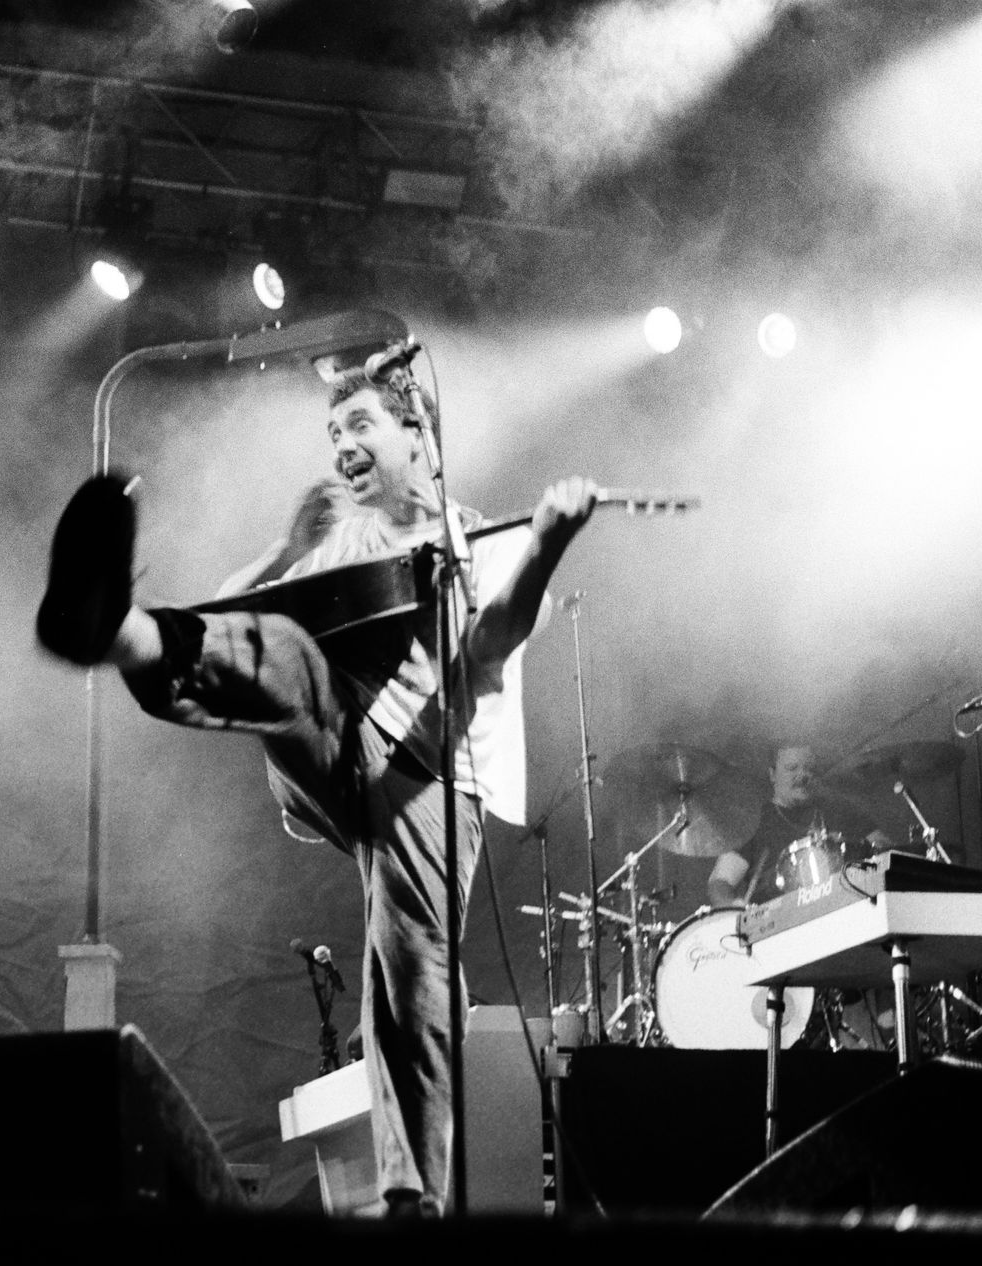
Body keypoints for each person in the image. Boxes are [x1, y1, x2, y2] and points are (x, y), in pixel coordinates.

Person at [36, 365, 598, 1218]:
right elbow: (230, 618)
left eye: (361, 424)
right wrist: (288, 548)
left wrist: (550, 540)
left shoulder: (471, 534)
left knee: (406, 959)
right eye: (333, 435)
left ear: (420, 438)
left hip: (431, 775)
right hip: (337, 755)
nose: (342, 447)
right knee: (289, 660)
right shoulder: (342, 536)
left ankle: (412, 1200)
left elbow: (497, 632)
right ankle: (110, 627)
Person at [707, 744, 889, 909]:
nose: (802, 775)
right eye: (791, 768)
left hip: (843, 913)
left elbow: (885, 849)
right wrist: (732, 907)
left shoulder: (839, 810)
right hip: (778, 927)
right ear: (772, 774)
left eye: (808, 768)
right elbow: (720, 882)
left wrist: (852, 848)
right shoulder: (755, 822)